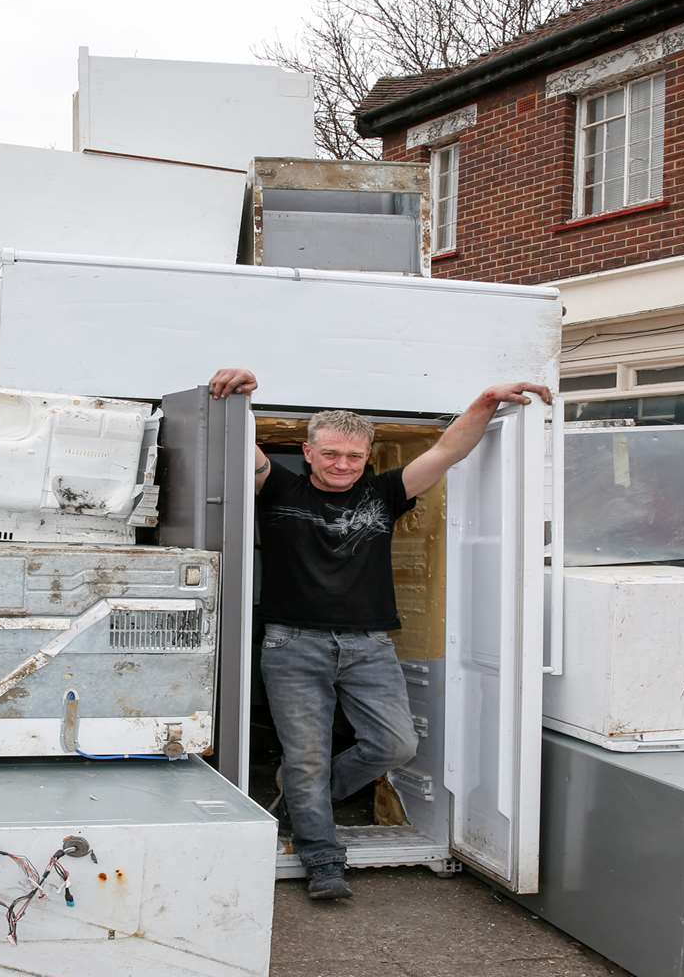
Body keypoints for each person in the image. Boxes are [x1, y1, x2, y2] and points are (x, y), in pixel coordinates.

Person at [206, 368, 553, 901]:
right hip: (292, 645)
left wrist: (484, 401)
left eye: (353, 456)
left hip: (369, 644)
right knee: (306, 755)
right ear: (308, 450)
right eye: (330, 455)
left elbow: (446, 453)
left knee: (394, 743)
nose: (342, 465)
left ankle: (303, 796)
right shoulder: (277, 487)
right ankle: (322, 858)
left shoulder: (385, 493)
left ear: (368, 455)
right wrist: (241, 392)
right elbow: (241, 445)